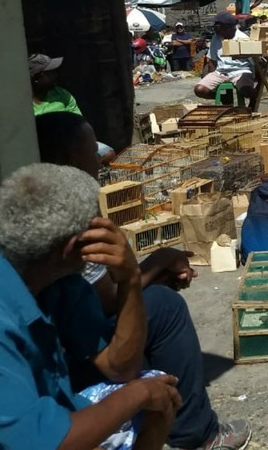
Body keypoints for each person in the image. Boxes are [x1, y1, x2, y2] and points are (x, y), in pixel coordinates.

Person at [35, 112, 252, 450]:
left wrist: (150, 269)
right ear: (68, 161)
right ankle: (199, 434)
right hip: (71, 353)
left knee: (153, 296)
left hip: (60, 337)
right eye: (91, 152)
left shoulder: (31, 205)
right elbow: (106, 302)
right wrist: (150, 270)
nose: (98, 160)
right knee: (165, 307)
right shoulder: (70, 220)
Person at [0, 163, 180, 450]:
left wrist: (130, 279)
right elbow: (46, 444)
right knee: (144, 394)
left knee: (160, 396)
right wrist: (135, 395)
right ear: (74, 246)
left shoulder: (56, 281)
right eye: (100, 227)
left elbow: (119, 367)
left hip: (48, 417)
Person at [29, 53, 116, 164]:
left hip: (71, 144)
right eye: (49, 73)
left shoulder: (62, 94)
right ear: (36, 78)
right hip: (43, 150)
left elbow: (79, 123)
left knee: (108, 153)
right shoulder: (23, 103)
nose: (56, 75)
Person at [193, 12, 256, 106]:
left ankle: (252, 101)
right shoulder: (216, 37)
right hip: (221, 72)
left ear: (227, 27)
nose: (214, 27)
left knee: (246, 91)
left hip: (241, 70)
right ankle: (225, 99)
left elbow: (254, 62)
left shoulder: (243, 38)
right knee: (200, 90)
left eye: (217, 25)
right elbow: (212, 60)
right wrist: (211, 77)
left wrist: (253, 77)